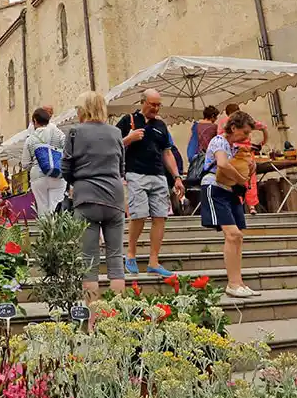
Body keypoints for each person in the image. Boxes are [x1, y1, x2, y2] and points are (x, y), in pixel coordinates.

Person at [63, 90, 126, 298]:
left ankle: (93, 321)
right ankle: (118, 318)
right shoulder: (116, 133)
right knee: (116, 260)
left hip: (86, 196)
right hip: (115, 197)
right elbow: (122, 168)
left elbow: (66, 168)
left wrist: (78, 183)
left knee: (89, 262)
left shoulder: (74, 132)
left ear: (82, 110)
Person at [116, 89, 183, 277]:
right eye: (152, 104)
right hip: (135, 173)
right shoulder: (128, 120)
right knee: (139, 214)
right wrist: (129, 138)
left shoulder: (161, 125)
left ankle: (154, 261)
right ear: (143, 102)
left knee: (160, 216)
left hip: (159, 175)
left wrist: (177, 177)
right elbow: (112, 144)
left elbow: (167, 153)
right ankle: (131, 254)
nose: (155, 108)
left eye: (158, 105)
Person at [201, 110, 259, 298]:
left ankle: (238, 282)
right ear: (233, 127)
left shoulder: (235, 147)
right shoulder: (219, 141)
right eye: (245, 132)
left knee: (238, 236)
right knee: (232, 234)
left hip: (230, 191)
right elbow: (223, 165)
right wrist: (242, 178)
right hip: (215, 188)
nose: (247, 136)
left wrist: (250, 168)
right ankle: (233, 284)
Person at [23, 107, 67, 219]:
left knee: (42, 210)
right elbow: (67, 147)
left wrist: (38, 164)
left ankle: (45, 234)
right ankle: (57, 234)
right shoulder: (57, 133)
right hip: (58, 174)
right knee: (56, 208)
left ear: (35, 121)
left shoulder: (30, 139)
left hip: (38, 176)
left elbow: (25, 164)